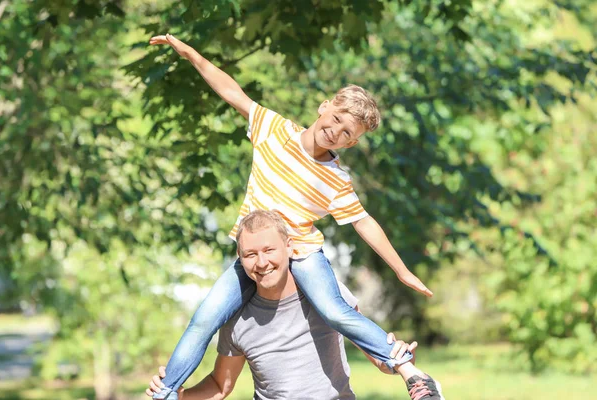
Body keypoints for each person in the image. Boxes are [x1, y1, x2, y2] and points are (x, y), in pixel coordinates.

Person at [148, 33, 435, 400]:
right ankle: (165, 393)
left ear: (351, 143)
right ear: (323, 106)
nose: (335, 131)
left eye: (347, 133)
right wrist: (190, 54)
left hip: (301, 252)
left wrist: (401, 270)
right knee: (204, 318)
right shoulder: (273, 129)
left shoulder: (336, 179)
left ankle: (411, 372)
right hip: (254, 253)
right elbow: (231, 91)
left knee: (334, 310)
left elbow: (364, 223)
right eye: (336, 119)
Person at [146, 210, 444, 400]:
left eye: (269, 250)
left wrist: (397, 358)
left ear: (289, 247)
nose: (261, 263)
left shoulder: (325, 296)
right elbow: (221, 385)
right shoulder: (236, 319)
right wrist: (181, 395)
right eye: (250, 255)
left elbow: (376, 358)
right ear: (239, 258)